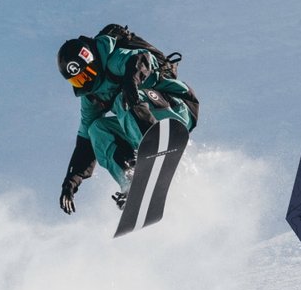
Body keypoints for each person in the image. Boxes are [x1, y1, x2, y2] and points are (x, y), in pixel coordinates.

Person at [57, 25, 199, 214]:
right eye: (78, 81)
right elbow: (84, 143)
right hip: (142, 119)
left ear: (92, 62)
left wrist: (131, 84)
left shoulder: (113, 59)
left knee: (121, 99)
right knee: (95, 129)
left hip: (175, 107)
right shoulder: (91, 96)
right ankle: (131, 180)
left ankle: (155, 146)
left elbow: (140, 60)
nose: (86, 83)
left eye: (87, 74)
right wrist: (70, 182)